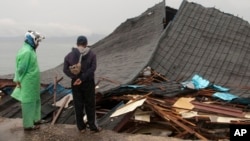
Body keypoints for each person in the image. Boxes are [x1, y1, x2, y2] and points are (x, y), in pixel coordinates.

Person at [63, 35, 102, 133]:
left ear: (77, 44)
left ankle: (81, 128)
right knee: (90, 104)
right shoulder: (92, 54)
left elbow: (65, 69)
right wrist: (82, 78)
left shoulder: (69, 55)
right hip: (88, 82)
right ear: (86, 44)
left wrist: (75, 78)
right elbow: (92, 69)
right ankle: (93, 127)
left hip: (75, 83)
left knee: (78, 104)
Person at [11, 30, 45, 131]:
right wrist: (17, 80)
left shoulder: (29, 50)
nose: (38, 44)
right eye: (37, 41)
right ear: (32, 40)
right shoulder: (26, 52)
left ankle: (36, 119)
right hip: (28, 82)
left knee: (36, 100)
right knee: (28, 102)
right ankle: (28, 125)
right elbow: (20, 69)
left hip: (33, 82)